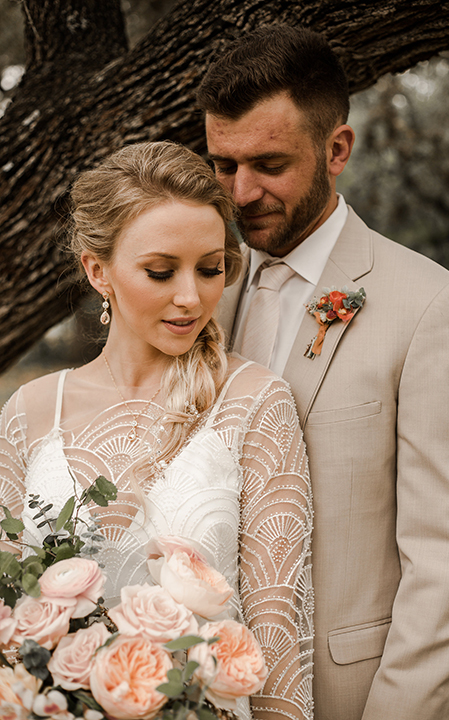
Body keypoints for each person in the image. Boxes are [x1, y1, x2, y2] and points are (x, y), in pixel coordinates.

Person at [197, 24, 449, 720]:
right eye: (223, 165)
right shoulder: (196, 295)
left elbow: (447, 561)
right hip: (196, 683)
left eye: (268, 163)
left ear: (337, 149)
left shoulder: (432, 307)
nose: (241, 192)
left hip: (342, 695)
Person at [0, 141, 314, 720]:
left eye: (211, 268)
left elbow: (278, 643)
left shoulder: (255, 402)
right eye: (161, 271)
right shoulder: (28, 412)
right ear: (98, 270)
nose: (192, 298)